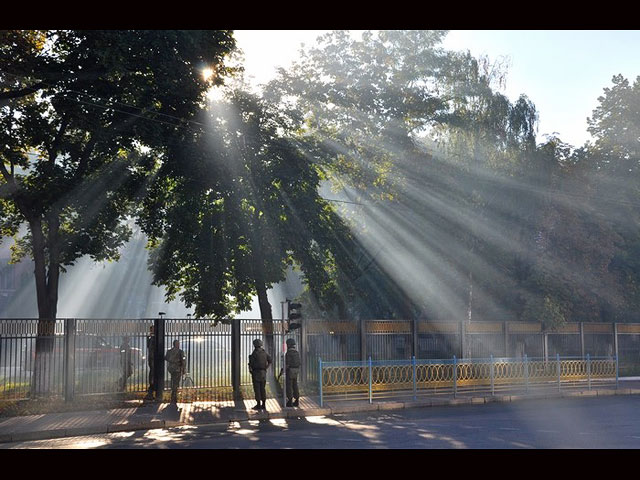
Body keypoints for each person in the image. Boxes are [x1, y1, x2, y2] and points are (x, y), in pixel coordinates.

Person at [249, 338, 271, 411]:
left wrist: (251, 370)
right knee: (263, 389)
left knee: (257, 389)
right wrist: (266, 368)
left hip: (256, 373)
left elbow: (251, 364)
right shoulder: (264, 353)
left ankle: (258, 404)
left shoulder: (254, 353)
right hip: (263, 373)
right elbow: (270, 360)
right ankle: (264, 404)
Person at [165, 339, 186, 404]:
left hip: (171, 369)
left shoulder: (169, 351)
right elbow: (183, 361)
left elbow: (166, 358)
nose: (179, 345)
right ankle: (174, 397)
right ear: (176, 344)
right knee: (176, 383)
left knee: (173, 381)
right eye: (178, 343)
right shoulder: (180, 352)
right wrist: (183, 369)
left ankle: (173, 396)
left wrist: (171, 361)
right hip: (177, 369)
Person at [285, 338, 301, 407]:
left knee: (289, 386)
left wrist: (284, 370)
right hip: (296, 371)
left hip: (290, 371)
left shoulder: (288, 353)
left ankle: (290, 401)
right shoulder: (296, 352)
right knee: (295, 385)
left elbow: (287, 364)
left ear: (288, 345)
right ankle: (297, 400)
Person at [145, 326, 155, 400]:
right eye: (151, 330)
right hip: (151, 357)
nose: (152, 331)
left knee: (154, 371)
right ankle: (151, 385)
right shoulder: (150, 338)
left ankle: (154, 385)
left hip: (155, 357)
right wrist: (148, 337)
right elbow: (148, 346)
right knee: (152, 371)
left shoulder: (156, 337)